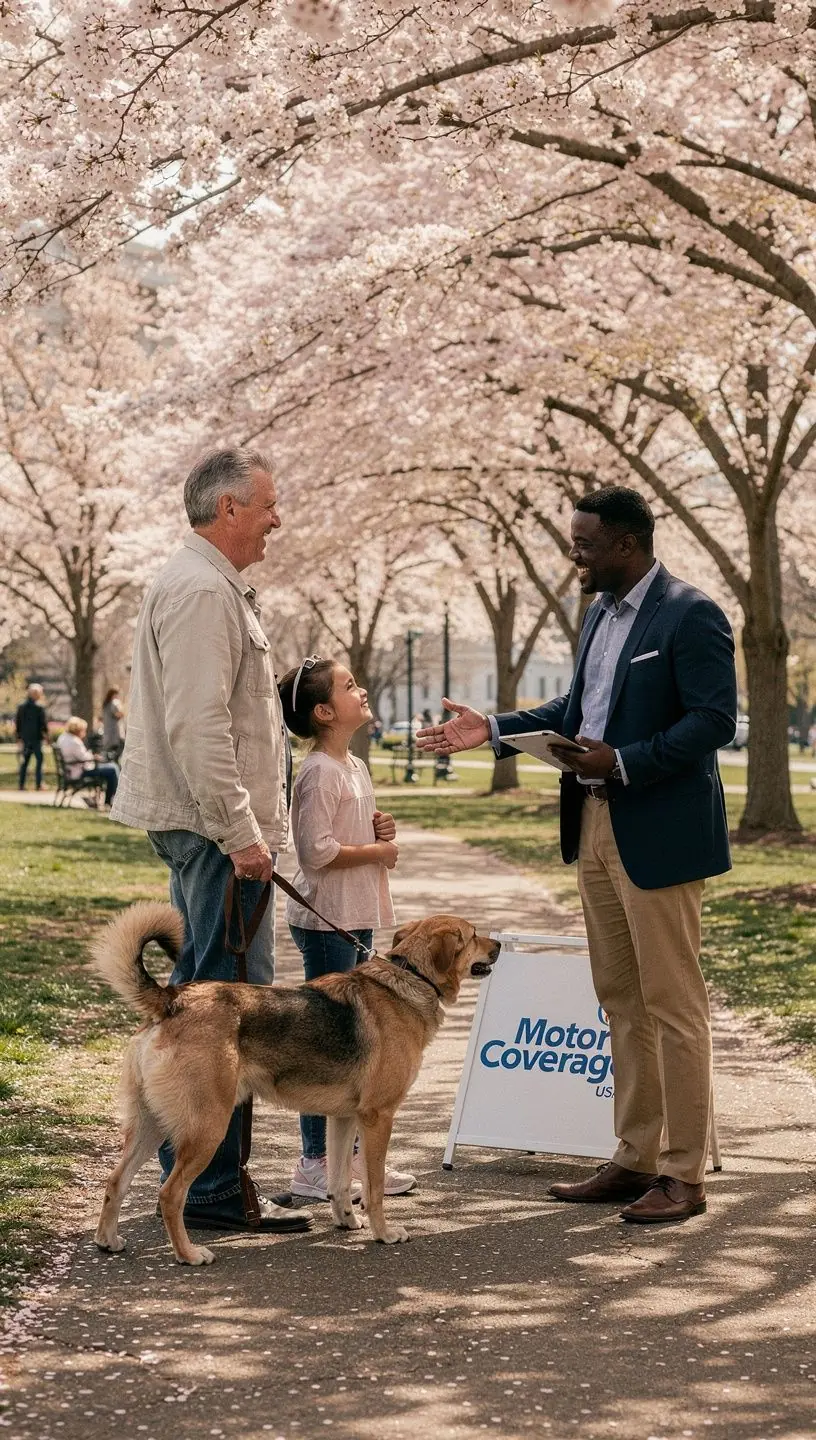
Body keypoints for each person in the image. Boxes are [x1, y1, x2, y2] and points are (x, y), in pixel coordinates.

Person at [418, 486, 737, 1224]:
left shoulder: (691, 614)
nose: (575, 557)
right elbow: (575, 714)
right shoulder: (598, 614)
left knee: (673, 1004)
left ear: (625, 544)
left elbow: (714, 719)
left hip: (657, 831)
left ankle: (684, 1175)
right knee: (621, 1000)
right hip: (593, 825)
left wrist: (625, 761)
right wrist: (492, 728)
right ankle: (635, 1159)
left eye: (585, 545)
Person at [110, 446, 309, 1237]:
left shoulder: (209, 585)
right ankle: (213, 1192)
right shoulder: (199, 590)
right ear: (228, 509)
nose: (276, 518)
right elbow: (201, 728)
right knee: (222, 1016)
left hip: (215, 832)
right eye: (266, 505)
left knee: (217, 1005)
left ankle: (210, 1186)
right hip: (215, 835)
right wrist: (242, 834)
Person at [278, 655, 416, 1201]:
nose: (360, 691)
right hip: (327, 920)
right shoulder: (317, 772)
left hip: (356, 916)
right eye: (348, 686)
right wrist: (378, 849)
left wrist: (378, 828)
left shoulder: (354, 766)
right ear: (323, 711)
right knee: (329, 1047)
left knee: (357, 1046)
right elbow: (315, 852)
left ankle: (350, 1160)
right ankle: (316, 1163)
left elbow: (348, 834)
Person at [56, 716, 120, 806]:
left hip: (70, 770)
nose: (84, 733)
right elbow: (84, 758)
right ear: (77, 730)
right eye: (83, 730)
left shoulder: (63, 737)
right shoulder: (75, 741)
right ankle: (110, 800)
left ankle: (108, 799)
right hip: (79, 771)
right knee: (112, 769)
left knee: (111, 767)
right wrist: (95, 757)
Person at [16, 683, 48, 790]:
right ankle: (39, 784)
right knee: (39, 761)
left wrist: (19, 737)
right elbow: (43, 724)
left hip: (25, 738)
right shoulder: (39, 707)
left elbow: (18, 723)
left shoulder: (21, 707)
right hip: (36, 739)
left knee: (24, 762)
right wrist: (46, 735)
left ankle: (21, 785)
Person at [101, 687, 125, 761]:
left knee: (109, 754)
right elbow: (119, 714)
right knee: (118, 753)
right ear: (114, 694)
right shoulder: (115, 702)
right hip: (115, 733)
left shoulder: (106, 704)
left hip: (107, 733)